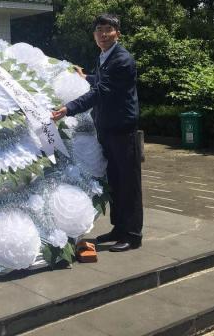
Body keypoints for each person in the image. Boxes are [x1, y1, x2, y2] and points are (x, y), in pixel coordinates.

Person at [52, 13, 142, 252]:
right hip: (107, 128)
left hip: (123, 129)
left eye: (108, 30)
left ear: (117, 34)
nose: (103, 34)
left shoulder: (122, 59)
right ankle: (119, 228)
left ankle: (133, 235)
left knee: (128, 183)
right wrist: (86, 77)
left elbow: (102, 90)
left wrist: (69, 108)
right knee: (114, 181)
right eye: (99, 30)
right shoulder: (104, 56)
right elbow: (100, 81)